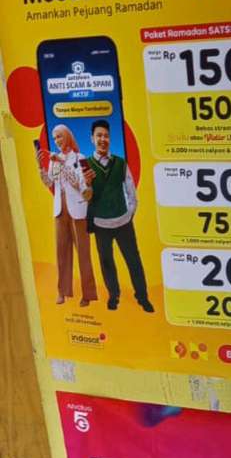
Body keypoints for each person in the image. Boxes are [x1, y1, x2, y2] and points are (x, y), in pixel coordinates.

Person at [84, 119, 154, 313]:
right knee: (107, 263)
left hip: (123, 222)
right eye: (99, 135)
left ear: (110, 139)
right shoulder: (85, 166)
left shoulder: (121, 163)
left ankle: (142, 297)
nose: (102, 139)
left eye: (106, 136)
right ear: (92, 139)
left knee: (134, 261)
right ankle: (113, 296)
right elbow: (83, 196)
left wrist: (129, 213)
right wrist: (87, 185)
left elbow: (131, 191)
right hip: (101, 224)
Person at [37, 124, 97, 307]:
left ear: (68, 137)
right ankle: (62, 292)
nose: (57, 141)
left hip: (78, 210)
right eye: (55, 138)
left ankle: (88, 294)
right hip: (60, 209)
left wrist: (63, 163)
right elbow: (50, 183)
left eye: (60, 136)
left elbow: (82, 185)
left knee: (83, 254)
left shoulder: (80, 158)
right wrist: (40, 167)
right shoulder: (53, 160)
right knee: (61, 252)